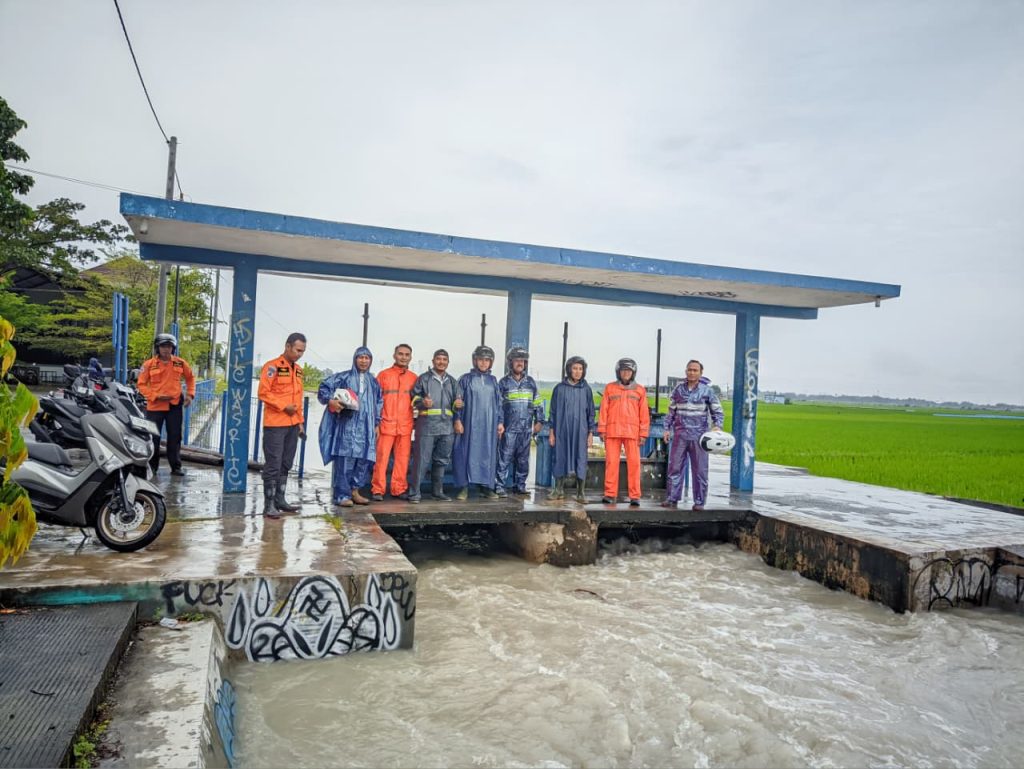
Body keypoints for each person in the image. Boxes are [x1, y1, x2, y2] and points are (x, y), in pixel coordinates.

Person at [318, 346, 382, 507]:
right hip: (346, 426)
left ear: (371, 361)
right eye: (361, 357)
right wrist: (330, 400)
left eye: (367, 358)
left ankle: (355, 491)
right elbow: (324, 388)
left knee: (364, 460)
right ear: (355, 359)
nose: (364, 361)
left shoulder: (374, 382)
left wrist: (376, 423)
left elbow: (379, 403)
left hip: (366, 428)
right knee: (344, 460)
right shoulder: (343, 377)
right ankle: (341, 495)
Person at [662, 359, 724, 511]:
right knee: (675, 467)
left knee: (700, 470)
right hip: (680, 435)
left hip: (699, 436)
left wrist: (717, 426)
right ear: (686, 371)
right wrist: (667, 428)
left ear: (700, 373)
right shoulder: (678, 390)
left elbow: (717, 411)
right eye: (689, 370)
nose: (692, 372)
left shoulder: (707, 391)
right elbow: (671, 411)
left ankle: (699, 501)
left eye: (695, 370)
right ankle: (672, 498)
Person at [257, 332, 306, 518]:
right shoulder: (272, 367)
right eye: (297, 350)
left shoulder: (298, 370)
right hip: (275, 424)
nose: (299, 354)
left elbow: (298, 399)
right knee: (273, 464)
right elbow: (263, 392)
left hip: (293, 425)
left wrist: (300, 422)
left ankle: (280, 500)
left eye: (302, 351)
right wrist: (283, 406)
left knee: (286, 463)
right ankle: (268, 505)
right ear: (287, 346)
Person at [408, 349, 463, 504]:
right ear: (433, 361)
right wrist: (422, 402)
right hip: (427, 426)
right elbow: (413, 398)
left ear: (448, 362)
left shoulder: (453, 382)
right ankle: (414, 493)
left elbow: (457, 403)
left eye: (444, 359)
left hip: (447, 428)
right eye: (438, 359)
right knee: (421, 461)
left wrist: (458, 404)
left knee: (441, 461)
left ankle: (437, 492)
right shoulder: (423, 379)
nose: (441, 362)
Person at [137, 333, 195, 477]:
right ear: (157, 348)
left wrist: (190, 395)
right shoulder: (149, 365)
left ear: (173, 348)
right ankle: (152, 467)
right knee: (153, 438)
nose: (166, 349)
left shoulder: (180, 363)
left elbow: (190, 378)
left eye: (169, 346)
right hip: (154, 406)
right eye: (163, 346)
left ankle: (176, 467)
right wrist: (155, 395)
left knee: (175, 437)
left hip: (174, 406)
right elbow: (141, 385)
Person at [453, 345, 504, 500]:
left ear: (491, 362)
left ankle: (486, 487)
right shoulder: (465, 379)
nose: (483, 363)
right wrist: (457, 419)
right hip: (469, 424)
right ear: (475, 361)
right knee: (465, 453)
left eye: (487, 360)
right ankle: (463, 488)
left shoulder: (493, 381)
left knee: (488, 454)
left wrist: (500, 422)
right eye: (480, 359)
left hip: (489, 426)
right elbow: (458, 401)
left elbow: (499, 403)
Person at [597, 358, 650, 506]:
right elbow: (603, 410)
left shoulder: (640, 390)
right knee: (611, 463)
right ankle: (610, 494)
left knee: (634, 464)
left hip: (632, 433)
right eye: (623, 370)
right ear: (618, 372)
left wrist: (643, 433)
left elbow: (644, 413)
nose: (626, 373)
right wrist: (602, 430)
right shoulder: (610, 388)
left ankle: (635, 496)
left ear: (633, 372)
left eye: (628, 370)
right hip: (612, 432)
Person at [371, 343, 418, 501]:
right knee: (381, 459)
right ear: (394, 355)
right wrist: (376, 423)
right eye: (400, 354)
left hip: (405, 426)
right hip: (386, 425)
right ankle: (378, 489)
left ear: (410, 357)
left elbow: (418, 402)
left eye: (406, 355)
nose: (403, 357)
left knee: (402, 460)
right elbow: (375, 401)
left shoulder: (414, 378)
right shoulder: (383, 375)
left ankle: (398, 489)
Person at [496, 346, 544, 497]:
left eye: (522, 361)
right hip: (509, 428)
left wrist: (539, 421)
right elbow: (498, 406)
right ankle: (499, 486)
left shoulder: (531, 383)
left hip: (526, 429)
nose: (520, 363)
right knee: (504, 458)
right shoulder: (503, 383)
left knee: (523, 460)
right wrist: (500, 423)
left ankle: (520, 485)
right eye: (517, 360)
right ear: (510, 362)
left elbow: (538, 403)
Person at [548, 355, 595, 502]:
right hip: (562, 430)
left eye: (580, 369)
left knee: (581, 458)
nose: (578, 372)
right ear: (569, 369)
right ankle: (558, 489)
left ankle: (580, 492)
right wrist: (551, 432)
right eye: (575, 368)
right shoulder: (559, 389)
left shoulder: (586, 389)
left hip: (581, 431)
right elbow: (553, 411)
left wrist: (590, 433)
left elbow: (591, 412)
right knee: (560, 457)